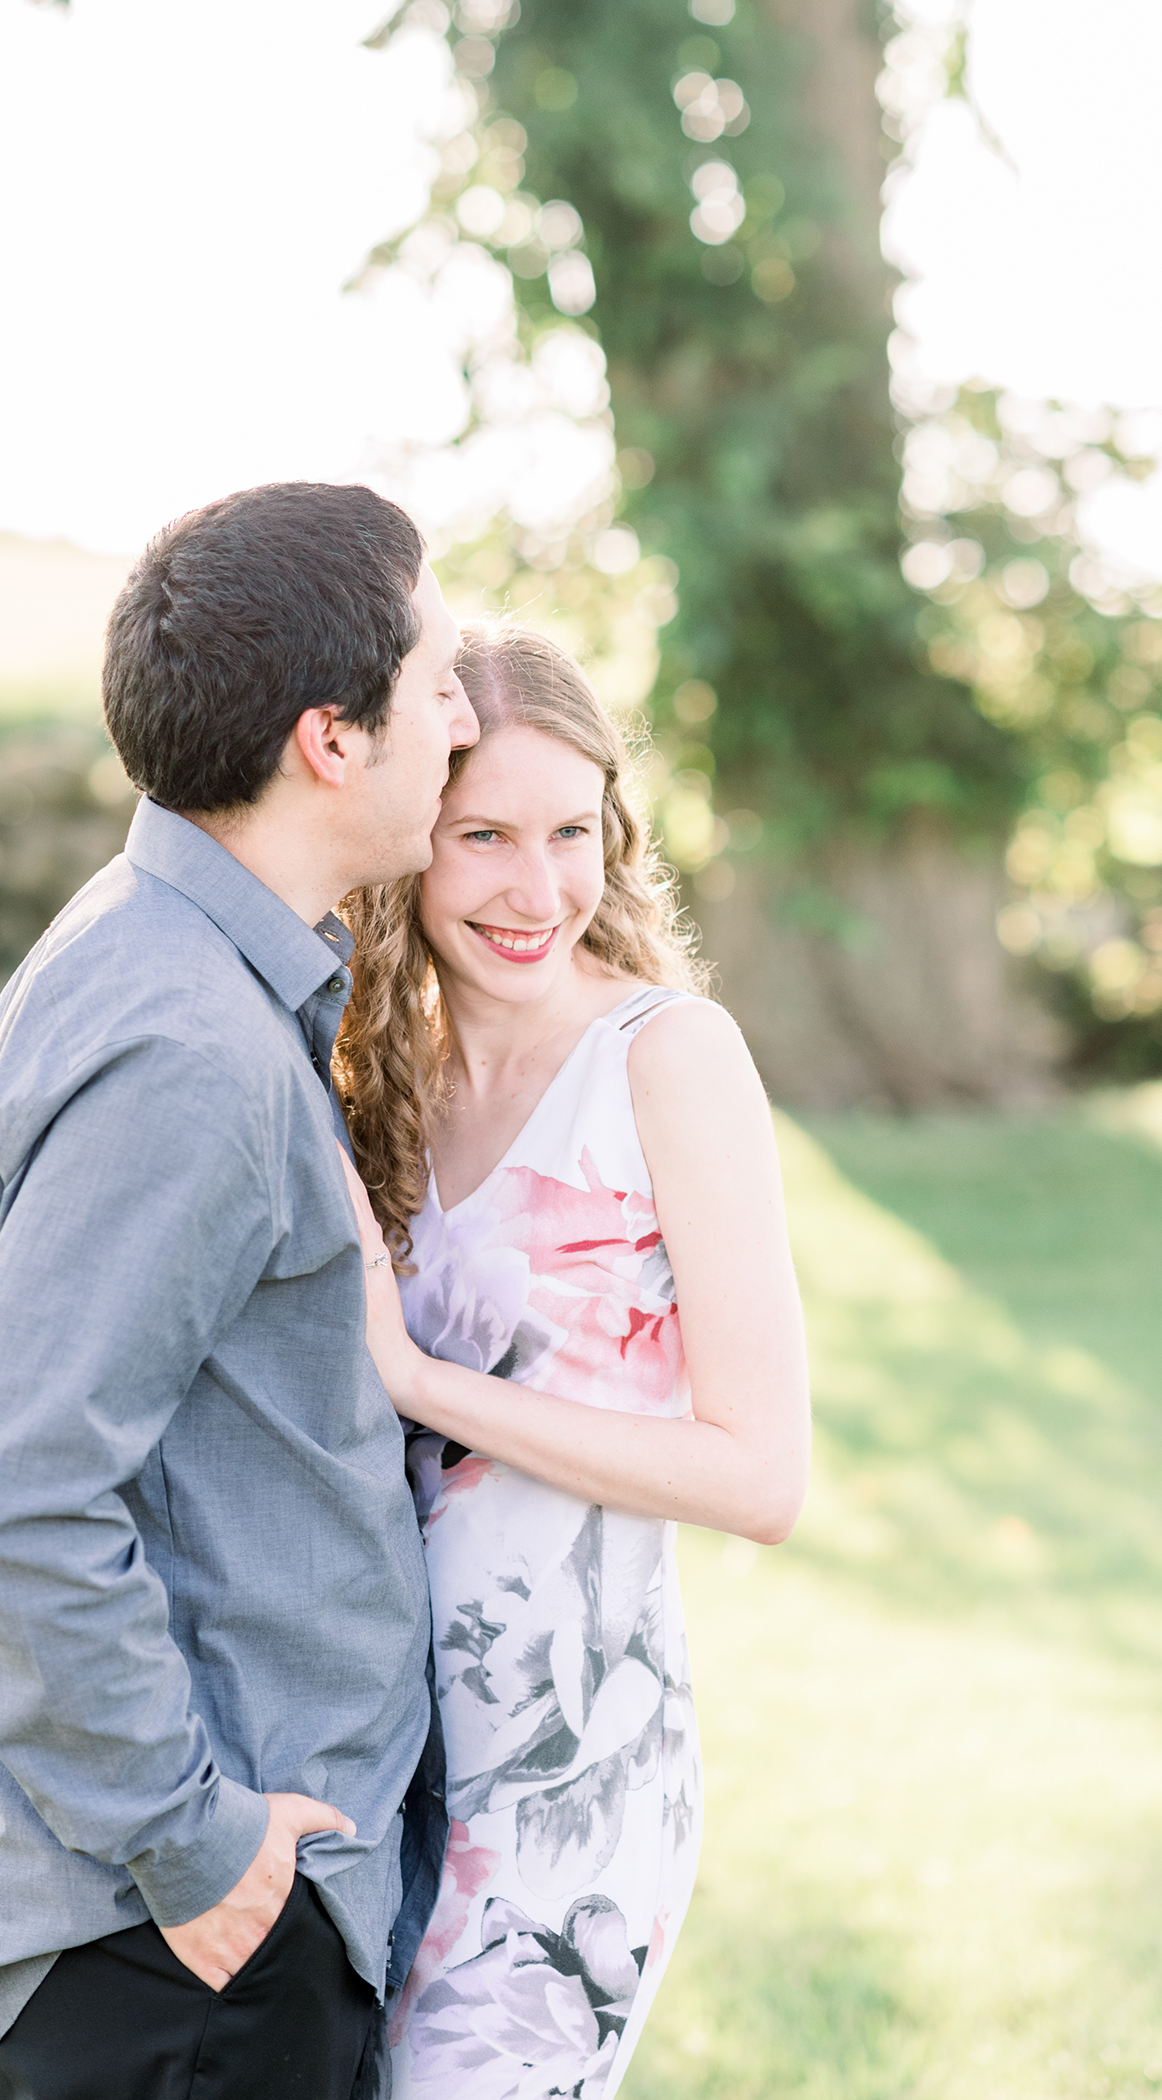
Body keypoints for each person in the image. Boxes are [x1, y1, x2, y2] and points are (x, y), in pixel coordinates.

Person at [0, 482, 479, 2100]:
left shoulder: (175, 950)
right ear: (329, 740)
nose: (461, 713)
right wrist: (197, 1842)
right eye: (434, 677)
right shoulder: (190, 1046)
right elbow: (19, 1503)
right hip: (186, 1934)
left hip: (198, 1921)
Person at [332, 624, 811, 2100]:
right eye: (482, 835)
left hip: (566, 1792)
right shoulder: (368, 1066)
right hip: (362, 1767)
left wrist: (421, 1380)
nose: (534, 889)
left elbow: (758, 1473)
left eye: (568, 832)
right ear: (411, 831)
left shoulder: (667, 1059)